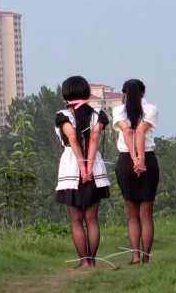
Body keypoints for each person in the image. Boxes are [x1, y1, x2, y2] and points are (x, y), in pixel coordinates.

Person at [55, 75, 111, 267]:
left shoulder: (63, 115)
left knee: (76, 220)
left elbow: (72, 138)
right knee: (92, 219)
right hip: (95, 170)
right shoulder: (98, 114)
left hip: (71, 169)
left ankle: (84, 262)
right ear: (87, 93)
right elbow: (94, 139)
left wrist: (81, 167)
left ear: (66, 95)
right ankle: (93, 261)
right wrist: (88, 167)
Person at [113, 79, 160, 264]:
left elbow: (128, 132)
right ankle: (146, 258)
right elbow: (140, 131)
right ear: (143, 92)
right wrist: (140, 160)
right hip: (147, 158)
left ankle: (135, 255)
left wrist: (134, 159)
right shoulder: (151, 109)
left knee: (132, 214)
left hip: (126, 161)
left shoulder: (118, 110)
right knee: (146, 214)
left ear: (124, 94)